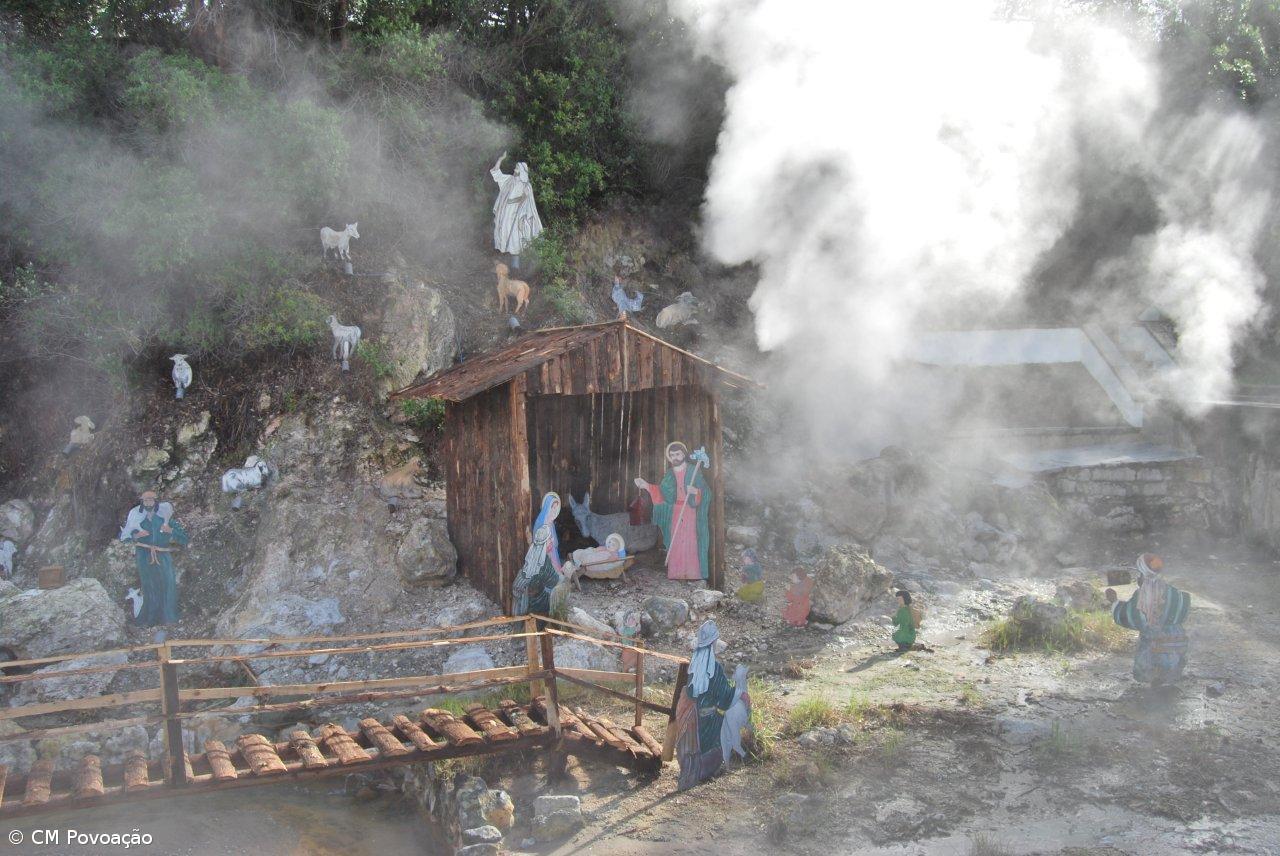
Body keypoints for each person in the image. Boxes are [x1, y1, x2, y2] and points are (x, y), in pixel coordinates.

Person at [674, 620, 743, 789]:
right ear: (713, 642)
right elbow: (725, 697)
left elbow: (691, 692)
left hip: (694, 715)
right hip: (710, 718)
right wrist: (738, 689)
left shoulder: (693, 667)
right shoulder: (716, 668)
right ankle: (705, 771)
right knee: (723, 726)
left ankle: (692, 770)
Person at [1106, 553, 1190, 686]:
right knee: (1169, 676)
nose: (1138, 579)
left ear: (1143, 575)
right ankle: (1168, 679)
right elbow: (1183, 613)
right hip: (1177, 646)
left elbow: (1130, 618)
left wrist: (1114, 602)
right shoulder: (1174, 592)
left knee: (1149, 665)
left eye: (1139, 575)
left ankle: (1155, 683)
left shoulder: (1142, 596)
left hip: (1156, 649)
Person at [635, 442, 712, 581]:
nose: (675, 457)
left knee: (690, 540)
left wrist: (695, 491)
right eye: (672, 455)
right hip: (676, 511)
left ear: (683, 454)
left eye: (677, 454)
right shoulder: (670, 474)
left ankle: (692, 573)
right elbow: (662, 493)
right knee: (675, 540)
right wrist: (646, 485)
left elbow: (706, 492)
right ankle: (676, 572)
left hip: (690, 511)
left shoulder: (694, 470)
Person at [118, 490, 189, 629]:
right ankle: (150, 619)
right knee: (149, 585)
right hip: (144, 555)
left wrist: (170, 531)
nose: (148, 503)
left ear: (156, 502)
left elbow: (184, 538)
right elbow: (125, 537)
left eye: (151, 500)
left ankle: (169, 617)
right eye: (145, 501)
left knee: (168, 584)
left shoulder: (166, 520)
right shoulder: (138, 520)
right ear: (142, 503)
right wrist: (137, 535)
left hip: (162, 556)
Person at [490, 151, 544, 268]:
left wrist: (519, 203)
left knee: (515, 241)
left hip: (517, 216)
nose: (515, 170)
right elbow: (496, 173)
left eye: (517, 169)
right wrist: (500, 159)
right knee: (503, 238)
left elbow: (528, 203)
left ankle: (516, 268)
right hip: (505, 216)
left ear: (522, 171)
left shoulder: (526, 186)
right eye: (515, 168)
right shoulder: (509, 180)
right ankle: (504, 268)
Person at [512, 524, 562, 617]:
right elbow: (554, 581)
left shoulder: (532, 555)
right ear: (544, 544)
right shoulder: (544, 562)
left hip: (524, 594)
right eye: (550, 539)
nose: (552, 540)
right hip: (534, 602)